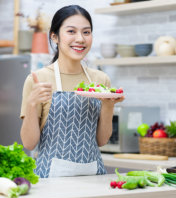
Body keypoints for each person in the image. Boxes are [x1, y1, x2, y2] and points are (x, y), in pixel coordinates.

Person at [20, 5, 124, 178]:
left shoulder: (101, 80)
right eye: (71, 31)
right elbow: (29, 144)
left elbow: (102, 141)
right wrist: (32, 104)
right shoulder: (38, 79)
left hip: (93, 176)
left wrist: (108, 105)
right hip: (50, 178)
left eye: (86, 32)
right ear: (55, 37)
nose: (80, 39)